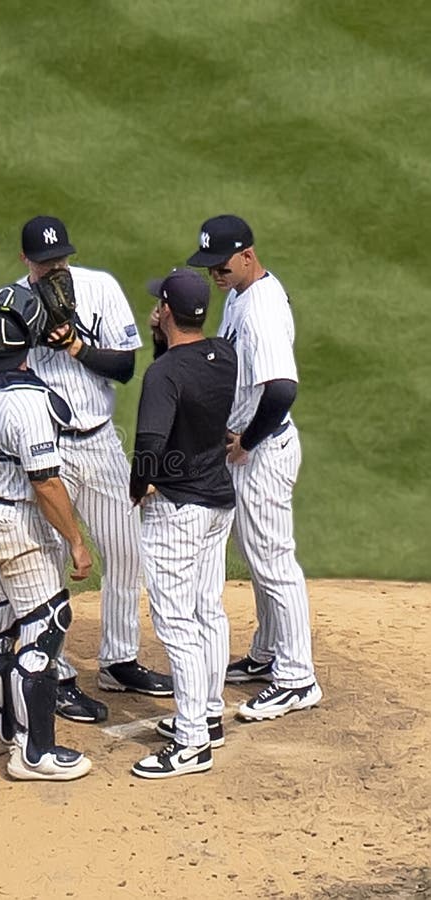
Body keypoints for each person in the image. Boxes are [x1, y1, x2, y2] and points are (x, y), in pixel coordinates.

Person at [19, 215, 173, 723]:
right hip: (46, 452)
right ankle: (54, 670)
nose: (54, 267)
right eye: (44, 263)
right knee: (48, 560)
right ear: (26, 262)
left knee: (127, 551)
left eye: (60, 257)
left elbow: (126, 367)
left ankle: (119, 659)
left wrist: (75, 345)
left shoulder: (100, 288)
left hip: (99, 441)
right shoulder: (13, 302)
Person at [0, 283, 93, 781]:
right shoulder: (26, 401)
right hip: (15, 521)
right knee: (46, 624)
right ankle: (35, 752)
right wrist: (74, 540)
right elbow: (46, 484)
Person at [186, 214, 322, 721]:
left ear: (247, 254)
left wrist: (247, 439)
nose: (215, 275)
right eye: (209, 268)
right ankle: (268, 653)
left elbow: (282, 388)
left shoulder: (261, 307)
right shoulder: (242, 293)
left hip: (262, 453)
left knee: (273, 562)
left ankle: (296, 677)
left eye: (221, 265)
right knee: (259, 556)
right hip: (253, 449)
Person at [128, 270, 237, 778]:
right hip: (218, 500)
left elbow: (150, 446)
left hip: (178, 511)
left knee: (177, 622)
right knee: (206, 610)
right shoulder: (223, 355)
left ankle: (193, 742)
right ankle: (208, 715)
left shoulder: (165, 373)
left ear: (166, 312)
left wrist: (138, 487)